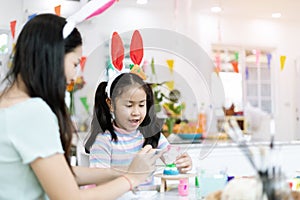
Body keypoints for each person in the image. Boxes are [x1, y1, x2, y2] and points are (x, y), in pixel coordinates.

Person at [0, 14, 162, 200]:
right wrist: (131, 178)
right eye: (75, 63)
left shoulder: (8, 104)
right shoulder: (32, 111)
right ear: (54, 57)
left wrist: (122, 171)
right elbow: (68, 197)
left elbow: (62, 173)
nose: (75, 75)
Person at [85, 72, 193, 179]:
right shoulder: (104, 141)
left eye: (141, 105)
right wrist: (131, 174)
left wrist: (182, 163)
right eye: (129, 105)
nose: (136, 112)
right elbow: (98, 181)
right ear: (111, 104)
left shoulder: (152, 135)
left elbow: (173, 161)